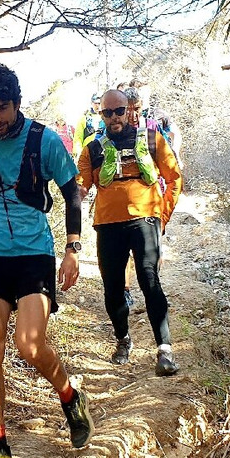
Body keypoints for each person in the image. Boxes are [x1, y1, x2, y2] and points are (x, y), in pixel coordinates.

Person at [0, 63, 92, 458]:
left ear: (17, 102)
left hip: (34, 254)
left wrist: (72, 248)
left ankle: (70, 398)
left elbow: (70, 192)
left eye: (3, 108)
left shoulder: (44, 140)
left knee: (30, 345)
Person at [78, 89, 182, 376]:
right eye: (107, 113)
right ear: (101, 115)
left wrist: (163, 215)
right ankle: (123, 339)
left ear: (130, 110)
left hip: (145, 219)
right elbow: (81, 184)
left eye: (119, 111)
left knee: (150, 280)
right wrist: (74, 191)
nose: (114, 118)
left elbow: (174, 178)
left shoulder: (152, 140)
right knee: (112, 288)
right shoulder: (92, 149)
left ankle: (165, 350)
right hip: (108, 224)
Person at [73, 93, 104, 158]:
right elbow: (78, 138)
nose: (97, 106)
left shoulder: (107, 118)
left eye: (99, 103)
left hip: (104, 154)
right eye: (95, 103)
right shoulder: (84, 119)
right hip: (88, 155)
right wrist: (79, 154)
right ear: (91, 103)